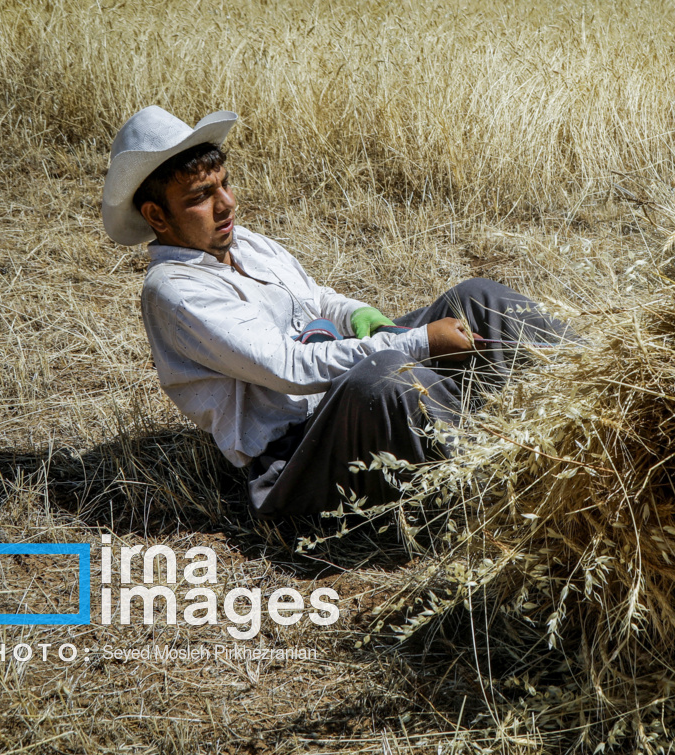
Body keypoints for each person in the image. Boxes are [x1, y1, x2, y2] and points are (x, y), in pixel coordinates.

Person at [102, 106, 567, 516]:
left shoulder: (243, 242)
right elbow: (288, 367)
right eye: (200, 196)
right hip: (300, 452)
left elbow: (318, 299)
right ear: (157, 216)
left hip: (340, 392)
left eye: (223, 184)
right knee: (386, 374)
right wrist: (417, 342)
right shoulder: (174, 291)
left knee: (476, 298)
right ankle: (514, 484)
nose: (226, 204)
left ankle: (590, 399)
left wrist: (363, 317)